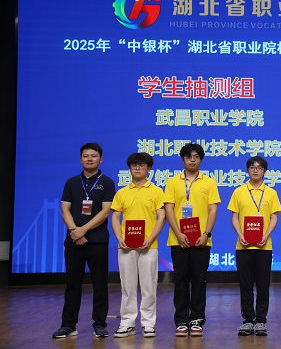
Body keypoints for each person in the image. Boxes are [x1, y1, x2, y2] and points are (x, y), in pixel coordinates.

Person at [52, 143, 116, 339]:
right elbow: (65, 209)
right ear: (81, 159)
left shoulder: (107, 182)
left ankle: (99, 324)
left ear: (100, 159)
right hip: (73, 241)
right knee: (72, 283)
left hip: (97, 240)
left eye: (94, 156)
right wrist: (74, 231)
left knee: (100, 284)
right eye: (86, 156)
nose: (89, 159)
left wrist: (83, 230)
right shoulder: (71, 182)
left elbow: (105, 212)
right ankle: (68, 325)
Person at [164, 142, 221, 337]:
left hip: (201, 240)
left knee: (199, 280)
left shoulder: (209, 182)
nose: (192, 160)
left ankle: (197, 318)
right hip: (178, 239)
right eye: (189, 156)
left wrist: (206, 234)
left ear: (201, 159)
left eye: (196, 156)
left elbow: (213, 210)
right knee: (180, 280)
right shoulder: (172, 182)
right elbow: (169, 209)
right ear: (183, 159)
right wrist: (178, 233)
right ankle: (181, 319)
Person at [110, 152, 166, 338]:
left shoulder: (156, 191)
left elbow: (161, 217)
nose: (137, 168)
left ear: (149, 169)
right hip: (126, 245)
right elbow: (115, 217)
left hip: (149, 246)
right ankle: (127, 323)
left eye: (141, 165)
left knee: (149, 286)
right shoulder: (122, 192)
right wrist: (119, 238)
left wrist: (151, 238)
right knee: (127, 286)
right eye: (134, 165)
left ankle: (148, 324)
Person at [227, 156, 281, 337]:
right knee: (245, 285)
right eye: (252, 167)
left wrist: (266, 235)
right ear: (247, 170)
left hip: (264, 246)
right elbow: (234, 217)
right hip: (243, 246)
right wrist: (240, 234)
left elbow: (274, 217)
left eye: (259, 167)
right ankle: (248, 321)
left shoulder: (271, 193)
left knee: (263, 285)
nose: (255, 170)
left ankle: (260, 321)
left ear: (265, 171)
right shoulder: (239, 192)